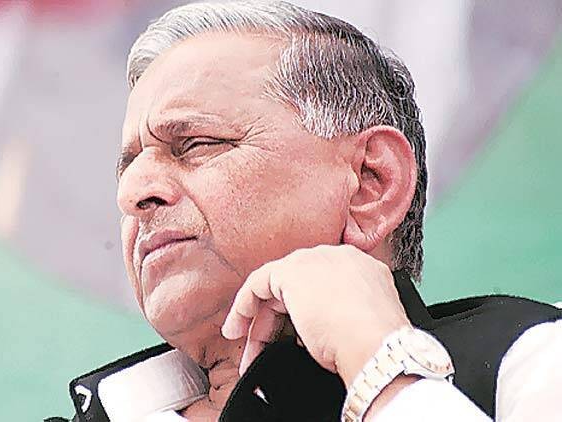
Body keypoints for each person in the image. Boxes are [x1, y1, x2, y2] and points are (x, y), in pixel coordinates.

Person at [51, 1, 562, 421]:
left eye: (197, 144)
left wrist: (383, 366)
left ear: (371, 183)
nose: (133, 193)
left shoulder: (531, 362)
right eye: (129, 167)